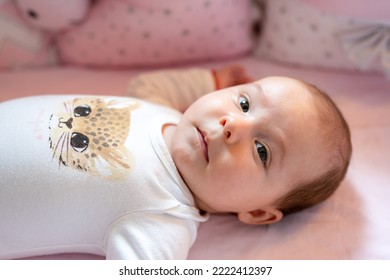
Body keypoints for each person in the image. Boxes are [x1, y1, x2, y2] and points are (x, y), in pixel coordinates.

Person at [0, 66, 352, 260]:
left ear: (258, 213)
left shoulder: (163, 219)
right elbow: (143, 81)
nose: (234, 125)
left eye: (262, 151)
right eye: (244, 103)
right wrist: (210, 80)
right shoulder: (165, 110)